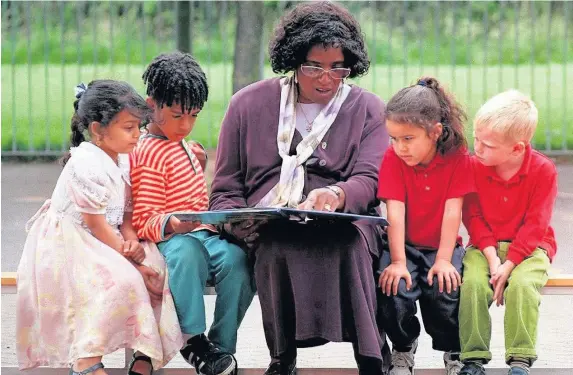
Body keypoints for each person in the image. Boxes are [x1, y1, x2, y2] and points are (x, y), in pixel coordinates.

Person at [209, 2, 391, 374]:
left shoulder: (368, 108)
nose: (326, 78)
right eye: (314, 67)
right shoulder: (247, 104)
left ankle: (371, 355)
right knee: (276, 244)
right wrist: (239, 222)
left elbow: (372, 179)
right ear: (293, 60)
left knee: (349, 243)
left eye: (338, 68)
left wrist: (337, 194)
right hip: (271, 224)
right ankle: (282, 357)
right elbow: (225, 189)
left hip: (345, 223)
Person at [16, 80, 183, 375]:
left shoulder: (124, 159)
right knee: (120, 280)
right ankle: (86, 360)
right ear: (98, 130)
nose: (136, 135)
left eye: (138, 127)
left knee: (156, 267)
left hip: (110, 236)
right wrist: (129, 257)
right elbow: (97, 225)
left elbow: (127, 215)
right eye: (128, 128)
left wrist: (132, 242)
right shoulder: (85, 164)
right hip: (73, 240)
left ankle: (144, 355)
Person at [130, 51, 256, 375]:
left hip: (203, 234)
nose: (185, 125)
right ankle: (193, 341)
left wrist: (198, 167)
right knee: (188, 254)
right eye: (176, 116)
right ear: (151, 105)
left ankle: (221, 348)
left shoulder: (184, 144)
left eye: (193, 116)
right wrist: (173, 223)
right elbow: (143, 218)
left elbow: (196, 198)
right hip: (170, 241)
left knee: (239, 261)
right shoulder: (146, 153)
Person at [376, 77, 474, 375]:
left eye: (408, 138)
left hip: (441, 247)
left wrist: (444, 260)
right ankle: (403, 347)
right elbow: (394, 211)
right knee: (394, 289)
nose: (399, 147)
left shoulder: (458, 158)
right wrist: (397, 262)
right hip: (402, 246)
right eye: (394, 138)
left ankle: (453, 349)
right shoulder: (393, 158)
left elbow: (452, 212)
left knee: (445, 290)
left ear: (435, 132)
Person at [458, 90, 558, 375]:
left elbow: (536, 226)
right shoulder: (474, 166)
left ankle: (520, 359)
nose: (477, 147)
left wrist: (510, 264)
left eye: (486, 144)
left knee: (523, 286)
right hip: (484, 247)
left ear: (517, 148)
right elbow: (473, 217)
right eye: (475, 138)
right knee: (473, 284)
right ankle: (473, 358)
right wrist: (493, 263)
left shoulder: (544, 171)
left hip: (531, 248)